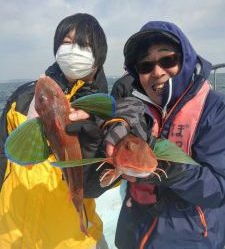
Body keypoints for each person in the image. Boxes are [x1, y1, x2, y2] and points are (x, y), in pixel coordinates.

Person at [103, 21, 225, 249]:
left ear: (185, 59)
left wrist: (173, 169)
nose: (157, 72)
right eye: (145, 66)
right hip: (134, 234)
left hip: (190, 240)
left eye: (167, 60)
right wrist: (104, 129)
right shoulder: (134, 108)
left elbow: (219, 189)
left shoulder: (216, 110)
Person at [0, 13, 109, 249]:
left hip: (71, 240)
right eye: (66, 42)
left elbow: (99, 185)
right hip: (11, 232)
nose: (72, 50)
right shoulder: (24, 96)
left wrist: (94, 142)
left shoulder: (105, 112)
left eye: (83, 45)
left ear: (98, 56)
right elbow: (2, 154)